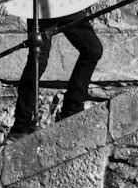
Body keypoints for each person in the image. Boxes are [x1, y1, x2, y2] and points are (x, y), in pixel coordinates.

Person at [7, 9, 103, 140]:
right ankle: (20, 127)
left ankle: (71, 112)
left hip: (67, 1)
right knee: (37, 61)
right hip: (42, 5)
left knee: (92, 49)